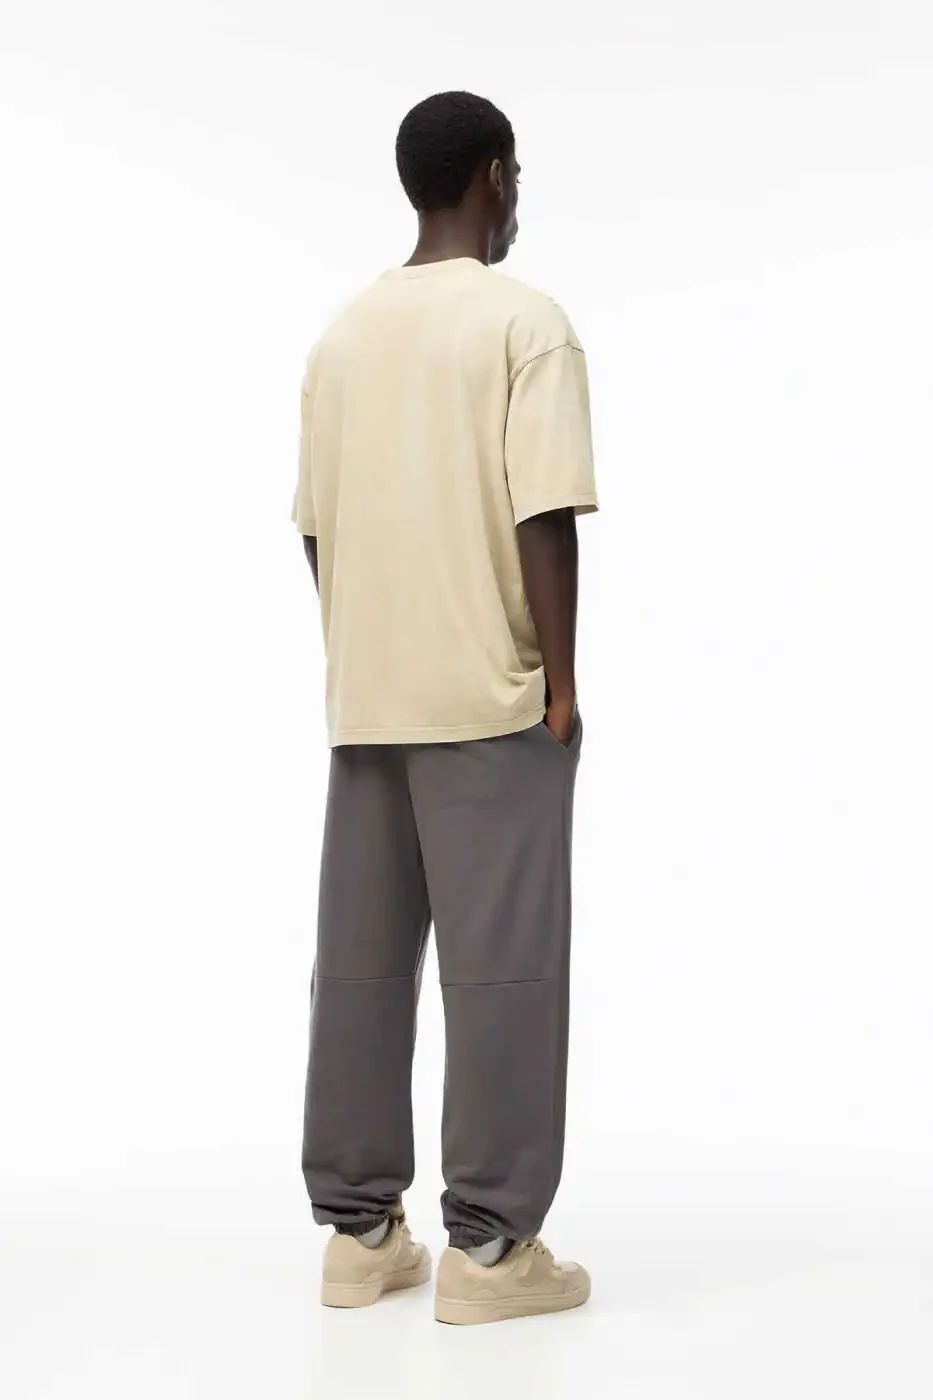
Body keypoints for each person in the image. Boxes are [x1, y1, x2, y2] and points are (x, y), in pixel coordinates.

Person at [291, 90, 598, 1326]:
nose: (516, 197)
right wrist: (560, 688)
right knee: (504, 974)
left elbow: (316, 528)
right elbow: (544, 510)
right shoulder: (525, 324)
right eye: (515, 177)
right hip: (488, 699)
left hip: (369, 698)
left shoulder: (343, 336)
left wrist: (358, 652)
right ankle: (491, 1247)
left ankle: (358, 1233)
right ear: (491, 177)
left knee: (361, 972)